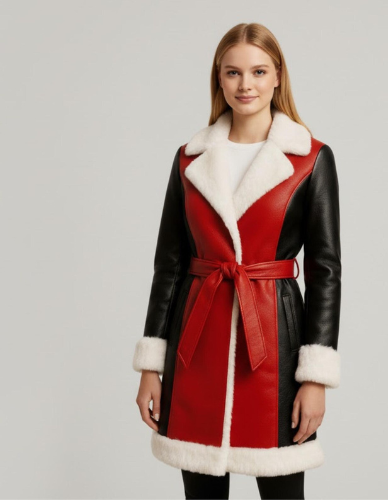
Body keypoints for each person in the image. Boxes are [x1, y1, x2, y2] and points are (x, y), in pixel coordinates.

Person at [132, 22, 342, 500]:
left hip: (275, 344)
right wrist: (151, 366)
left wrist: (315, 377)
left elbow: (325, 272)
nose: (245, 84)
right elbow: (169, 266)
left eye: (258, 71)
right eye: (233, 72)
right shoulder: (190, 159)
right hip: (195, 345)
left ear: (277, 76)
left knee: (283, 489)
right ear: (219, 79)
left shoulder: (310, 159)